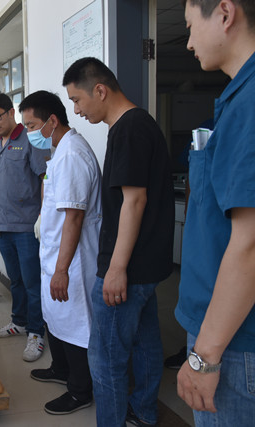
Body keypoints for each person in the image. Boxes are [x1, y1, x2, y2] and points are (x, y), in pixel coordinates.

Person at [63, 57, 174, 427]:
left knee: (106, 358)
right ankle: (142, 413)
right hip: (146, 266)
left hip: (127, 268)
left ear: (100, 90)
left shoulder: (129, 129)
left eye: (77, 100)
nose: (77, 111)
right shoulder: (137, 125)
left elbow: (134, 201)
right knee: (144, 344)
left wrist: (116, 268)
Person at [175, 1, 255, 424]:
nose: (188, 43)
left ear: (224, 13)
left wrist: (204, 357)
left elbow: (250, 244)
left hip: (234, 343)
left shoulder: (250, 103)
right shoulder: (237, 99)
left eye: (191, 26)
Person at [20, 90, 102, 415]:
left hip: (73, 260)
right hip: (55, 252)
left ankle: (80, 390)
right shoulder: (60, 150)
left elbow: (75, 216)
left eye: (32, 126)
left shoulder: (72, 154)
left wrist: (62, 269)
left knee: (75, 322)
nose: (29, 133)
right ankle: (61, 369)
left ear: (52, 121)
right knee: (55, 317)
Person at [0, 90, 49, 362]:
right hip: (3, 226)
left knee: (32, 282)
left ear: (11, 112)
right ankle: (19, 321)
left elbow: (45, 178)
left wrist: (43, 214)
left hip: (26, 227)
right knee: (16, 280)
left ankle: (36, 332)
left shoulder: (30, 140)